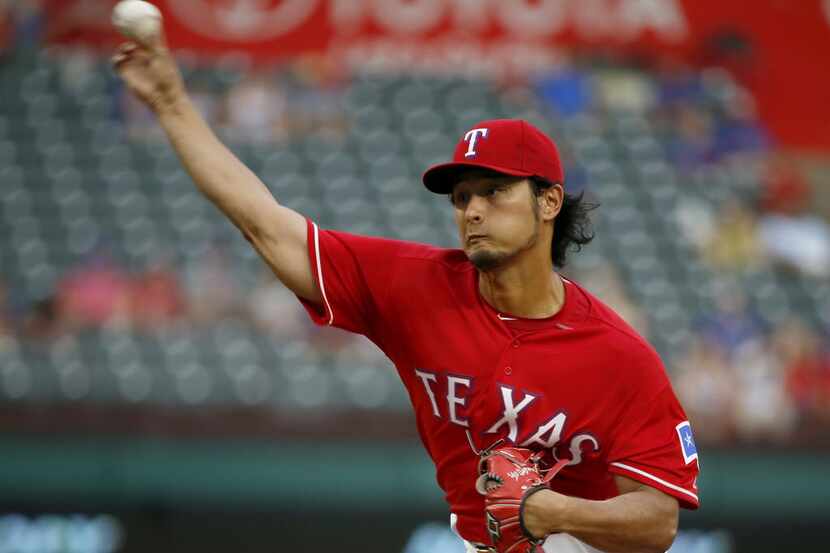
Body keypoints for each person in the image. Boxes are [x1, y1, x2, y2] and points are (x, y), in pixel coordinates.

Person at [112, 30, 699, 553]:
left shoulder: (619, 357)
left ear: (548, 202)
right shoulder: (412, 284)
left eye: (494, 191)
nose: (472, 210)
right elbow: (265, 223)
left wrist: (550, 511)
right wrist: (169, 102)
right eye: (462, 197)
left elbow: (657, 523)